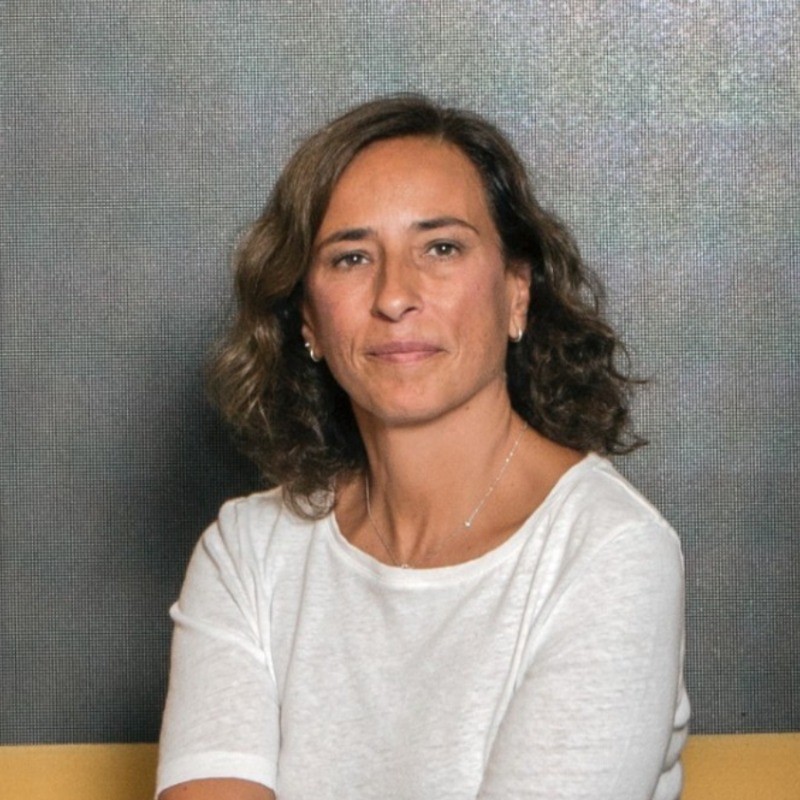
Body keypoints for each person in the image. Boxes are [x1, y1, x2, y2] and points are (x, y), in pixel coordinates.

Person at [156, 95, 690, 800]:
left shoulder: (609, 550)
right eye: (351, 257)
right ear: (308, 320)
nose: (395, 296)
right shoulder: (248, 552)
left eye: (441, 248)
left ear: (517, 291)